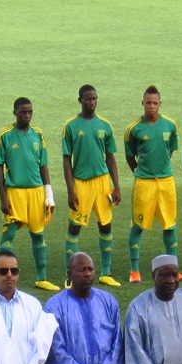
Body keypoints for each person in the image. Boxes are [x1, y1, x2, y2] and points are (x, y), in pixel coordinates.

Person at [0, 97, 58, 291]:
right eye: (23, 112)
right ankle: (2, 276)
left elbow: (43, 165)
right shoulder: (5, 135)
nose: (27, 115)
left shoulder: (38, 134)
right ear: (15, 112)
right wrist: (3, 197)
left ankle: (41, 278)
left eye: (30, 112)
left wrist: (48, 193)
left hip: (36, 192)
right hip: (15, 192)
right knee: (9, 234)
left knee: (38, 235)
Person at [62, 85, 121, 288]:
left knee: (105, 224)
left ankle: (106, 272)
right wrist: (71, 191)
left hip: (102, 182)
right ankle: (69, 275)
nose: (91, 102)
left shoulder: (105, 125)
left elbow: (110, 157)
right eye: (87, 99)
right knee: (74, 226)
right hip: (81, 183)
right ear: (80, 100)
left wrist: (116, 186)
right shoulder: (71, 126)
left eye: (94, 98)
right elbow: (66, 160)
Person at [124, 85, 181, 284]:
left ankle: (174, 269)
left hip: (166, 182)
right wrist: (141, 172)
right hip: (144, 183)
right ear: (143, 103)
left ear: (160, 104)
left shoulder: (170, 125)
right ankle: (134, 271)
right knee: (137, 226)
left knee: (170, 226)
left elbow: (169, 151)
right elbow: (130, 156)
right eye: (148, 103)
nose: (151, 106)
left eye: (155, 103)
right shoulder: (133, 129)